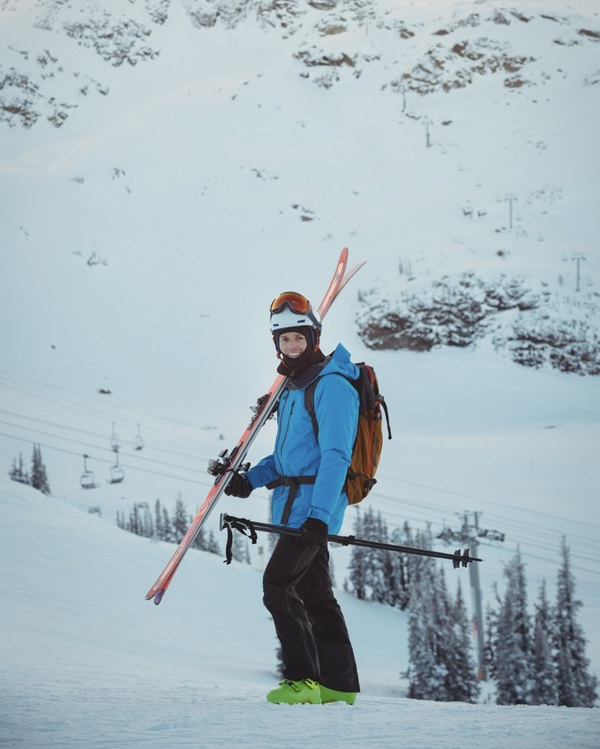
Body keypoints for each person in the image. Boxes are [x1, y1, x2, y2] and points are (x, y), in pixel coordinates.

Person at [224, 290, 361, 705]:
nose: (292, 345)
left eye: (299, 337)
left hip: (312, 510)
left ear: (314, 338)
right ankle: (339, 687)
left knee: (277, 584)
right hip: (292, 508)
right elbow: (288, 457)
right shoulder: (293, 387)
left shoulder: (331, 386)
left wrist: (319, 516)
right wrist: (252, 480)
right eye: (284, 339)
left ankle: (303, 682)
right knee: (316, 596)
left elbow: (336, 456)